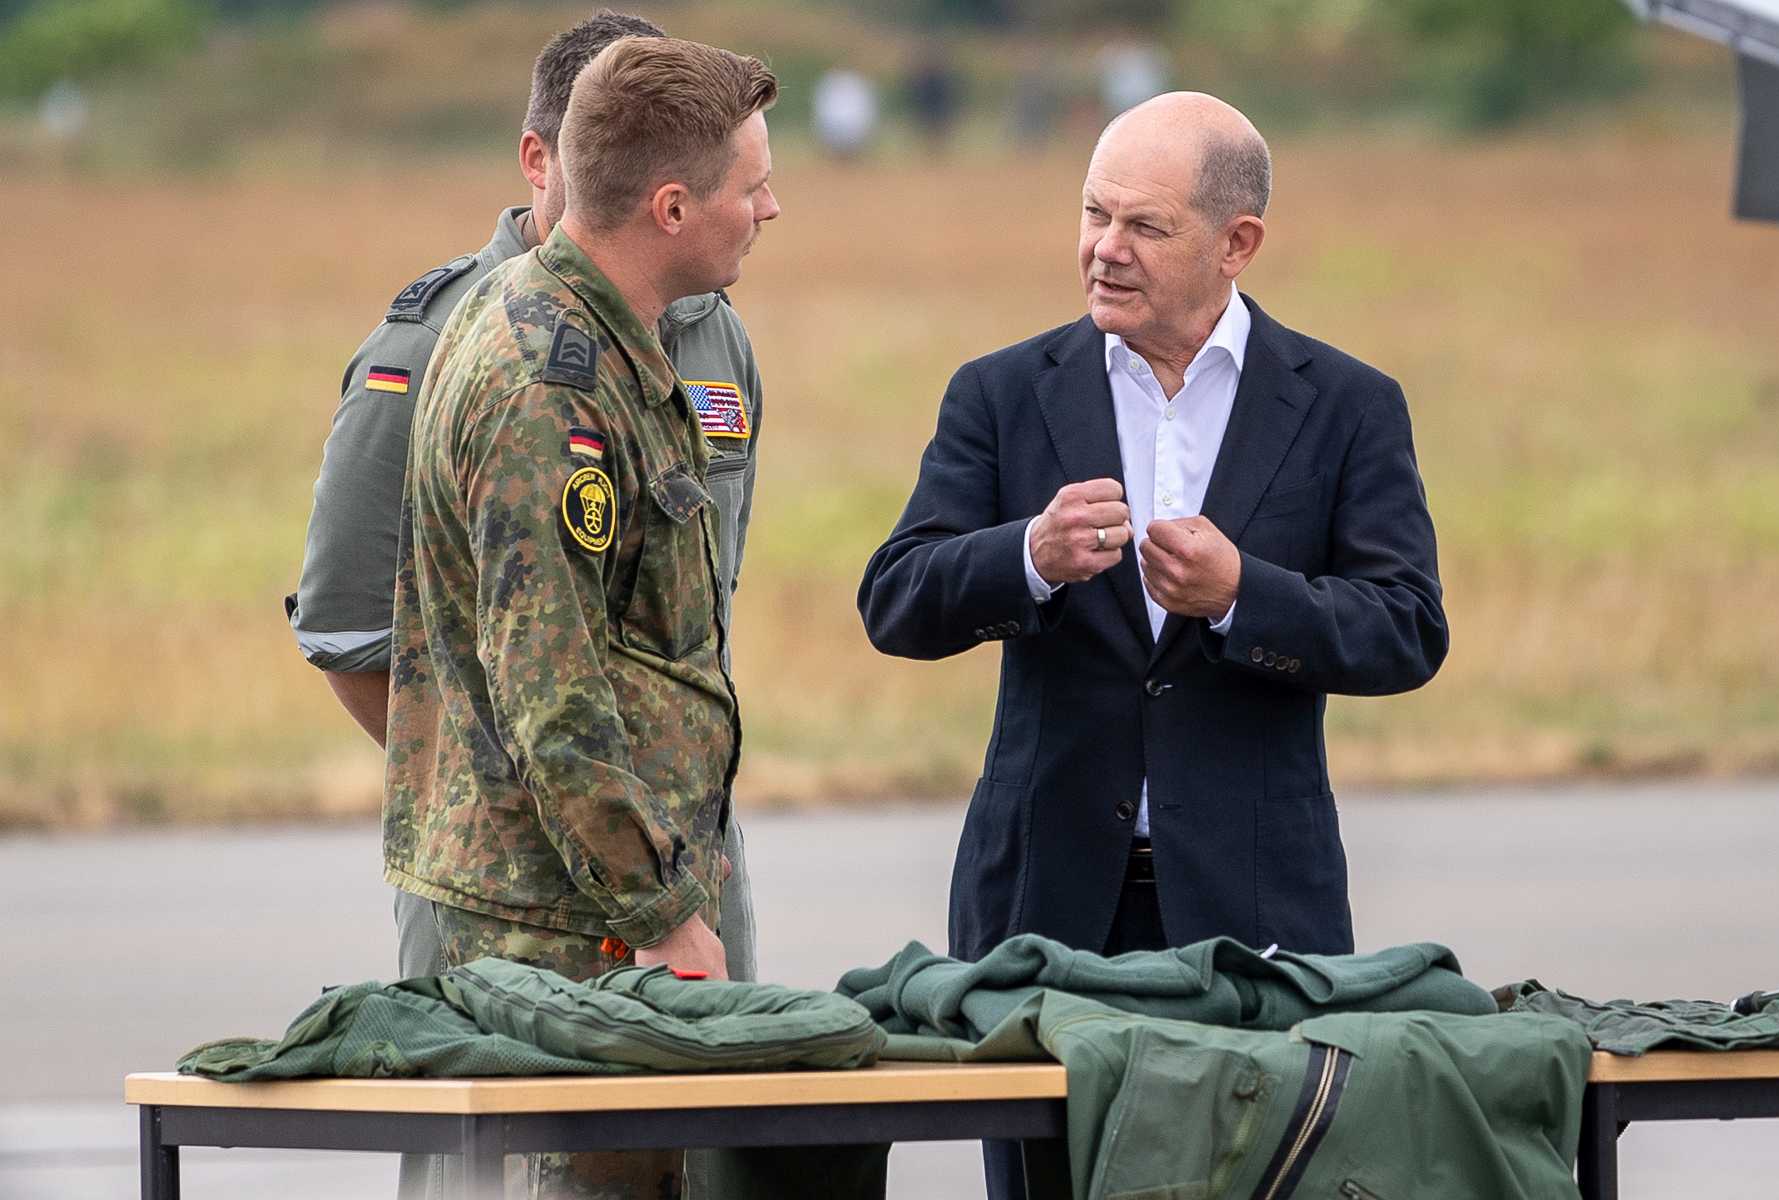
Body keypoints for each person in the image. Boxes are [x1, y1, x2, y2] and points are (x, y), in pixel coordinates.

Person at [857, 92, 1447, 1199]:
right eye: (1092, 215)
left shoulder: (1348, 406)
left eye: (1144, 227)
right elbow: (896, 599)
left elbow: (1407, 628)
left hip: (1255, 912)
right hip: (1044, 913)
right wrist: (1027, 554)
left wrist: (1242, 597)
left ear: (1239, 244)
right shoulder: (1000, 392)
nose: (1102, 250)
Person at [285, 9, 764, 999]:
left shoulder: (710, 336)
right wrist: (534, 803)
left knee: (715, 1149)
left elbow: (680, 626)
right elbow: (486, 662)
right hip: (544, 890)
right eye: (749, 187)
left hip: (675, 853)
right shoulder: (504, 356)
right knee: (525, 1157)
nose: (769, 211)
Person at [384, 34, 777, 1199]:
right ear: (670, 206)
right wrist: (660, 915)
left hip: (592, 903)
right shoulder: (548, 384)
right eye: (750, 186)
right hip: (565, 928)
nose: (771, 207)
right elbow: (552, 692)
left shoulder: (610, 344)